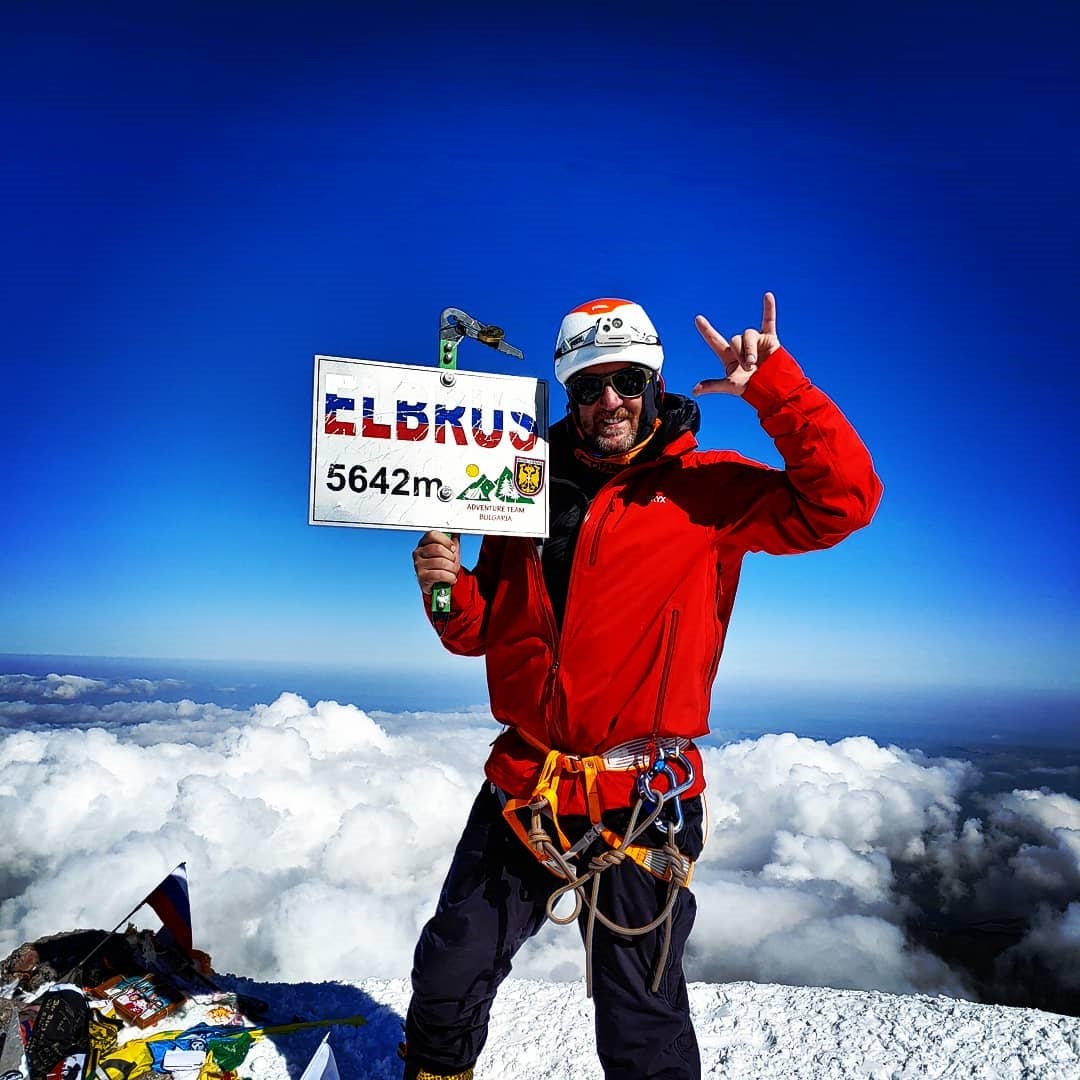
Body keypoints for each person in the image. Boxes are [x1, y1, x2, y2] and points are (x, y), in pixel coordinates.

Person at [403, 294, 882, 1080]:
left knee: (640, 1020)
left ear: (654, 383)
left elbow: (844, 503)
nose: (610, 402)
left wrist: (777, 389)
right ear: (568, 396)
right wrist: (446, 587)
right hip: (527, 782)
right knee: (449, 972)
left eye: (626, 380)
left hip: (642, 796)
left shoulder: (708, 492)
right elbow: (479, 634)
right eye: (589, 387)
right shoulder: (516, 492)